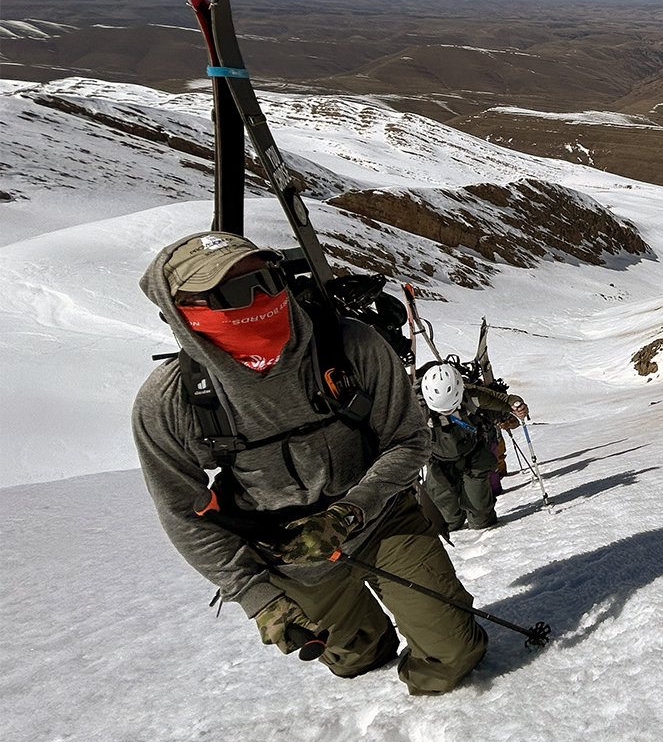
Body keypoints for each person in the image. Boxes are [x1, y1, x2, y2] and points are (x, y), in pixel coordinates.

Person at [131, 232, 488, 695]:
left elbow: (408, 439)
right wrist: (257, 596)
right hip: (287, 552)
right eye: (233, 292)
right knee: (354, 659)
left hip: (380, 519)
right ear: (182, 312)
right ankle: (368, 647)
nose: (261, 300)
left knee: (453, 655)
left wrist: (350, 512)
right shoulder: (169, 404)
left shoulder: (351, 347)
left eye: (267, 281)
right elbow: (184, 513)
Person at [417, 360, 528, 532]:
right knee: (447, 522)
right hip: (438, 462)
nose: (446, 412)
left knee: (481, 517)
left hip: (473, 455)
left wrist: (518, 405)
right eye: (441, 409)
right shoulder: (415, 408)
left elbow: (504, 400)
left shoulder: (471, 395)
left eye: (450, 407)